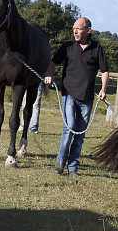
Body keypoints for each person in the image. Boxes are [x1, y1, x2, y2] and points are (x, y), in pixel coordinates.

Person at [45, 17, 109, 177]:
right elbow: (53, 62)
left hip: (86, 98)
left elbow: (105, 71)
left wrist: (103, 89)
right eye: (74, 28)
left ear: (88, 30)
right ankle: (60, 161)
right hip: (69, 94)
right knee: (69, 128)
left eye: (79, 29)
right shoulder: (68, 46)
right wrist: (49, 75)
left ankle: (72, 167)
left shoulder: (97, 48)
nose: (75, 31)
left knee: (80, 135)